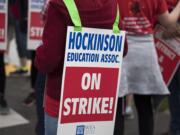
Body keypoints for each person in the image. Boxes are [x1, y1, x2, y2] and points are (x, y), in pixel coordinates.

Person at [35, 0, 127, 134]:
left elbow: (49, 59)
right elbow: (122, 49)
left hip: (62, 105)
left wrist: (39, 55)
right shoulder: (113, 5)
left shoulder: (59, 4)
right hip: (98, 105)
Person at [117, 0, 180, 135]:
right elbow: (168, 21)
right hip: (145, 51)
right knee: (145, 104)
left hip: (122, 47)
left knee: (119, 105)